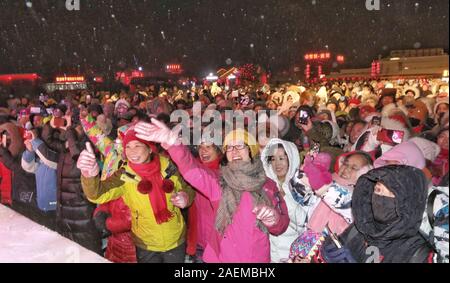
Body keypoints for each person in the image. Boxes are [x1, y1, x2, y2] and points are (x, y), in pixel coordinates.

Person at [135, 121, 290, 263]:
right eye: (229, 147)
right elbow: (194, 171)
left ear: (252, 150)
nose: (234, 151)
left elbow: (282, 224)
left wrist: (274, 220)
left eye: (240, 146)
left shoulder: (267, 185)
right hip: (221, 258)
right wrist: (173, 143)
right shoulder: (220, 182)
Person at [77, 127, 195, 263]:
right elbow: (97, 195)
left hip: (175, 240)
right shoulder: (124, 175)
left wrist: (185, 197)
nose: (132, 151)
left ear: (150, 148)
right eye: (128, 146)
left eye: (137, 145)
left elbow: (188, 187)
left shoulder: (168, 166)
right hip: (146, 244)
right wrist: (89, 175)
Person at [320, 165, 433, 263]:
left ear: (409, 201)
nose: (380, 199)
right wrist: (326, 253)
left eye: (392, 193)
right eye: (378, 190)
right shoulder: (362, 226)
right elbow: (339, 246)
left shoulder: (418, 253)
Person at [261, 138, 307, 263]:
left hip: (292, 253)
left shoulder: (301, 185)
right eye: (273, 159)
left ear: (291, 158)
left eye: (282, 158)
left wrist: (284, 197)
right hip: (268, 253)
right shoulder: (265, 185)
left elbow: (304, 222)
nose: (277, 164)